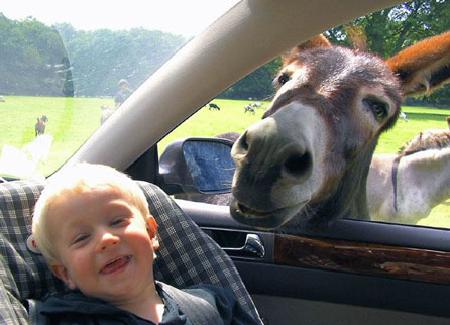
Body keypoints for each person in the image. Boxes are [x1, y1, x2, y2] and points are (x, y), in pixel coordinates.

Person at [31, 163, 259, 324]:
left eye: (117, 221)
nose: (106, 239)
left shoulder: (213, 306)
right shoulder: (60, 319)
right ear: (65, 273)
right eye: (81, 238)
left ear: (151, 233)